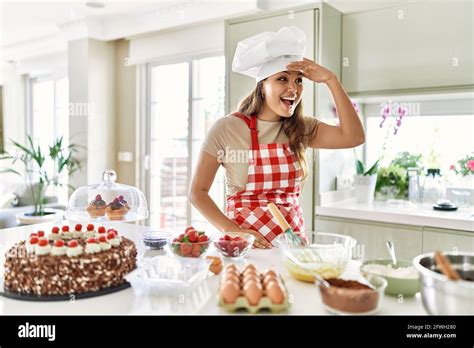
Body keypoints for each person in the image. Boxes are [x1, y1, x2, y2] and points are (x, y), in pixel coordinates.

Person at [189, 26, 364, 249]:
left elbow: (354, 137)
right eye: (283, 79)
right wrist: (232, 230)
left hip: (293, 249)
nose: (294, 89)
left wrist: (331, 80)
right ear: (263, 87)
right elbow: (197, 193)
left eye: (299, 80)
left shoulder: (302, 128)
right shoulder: (227, 128)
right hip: (246, 249)